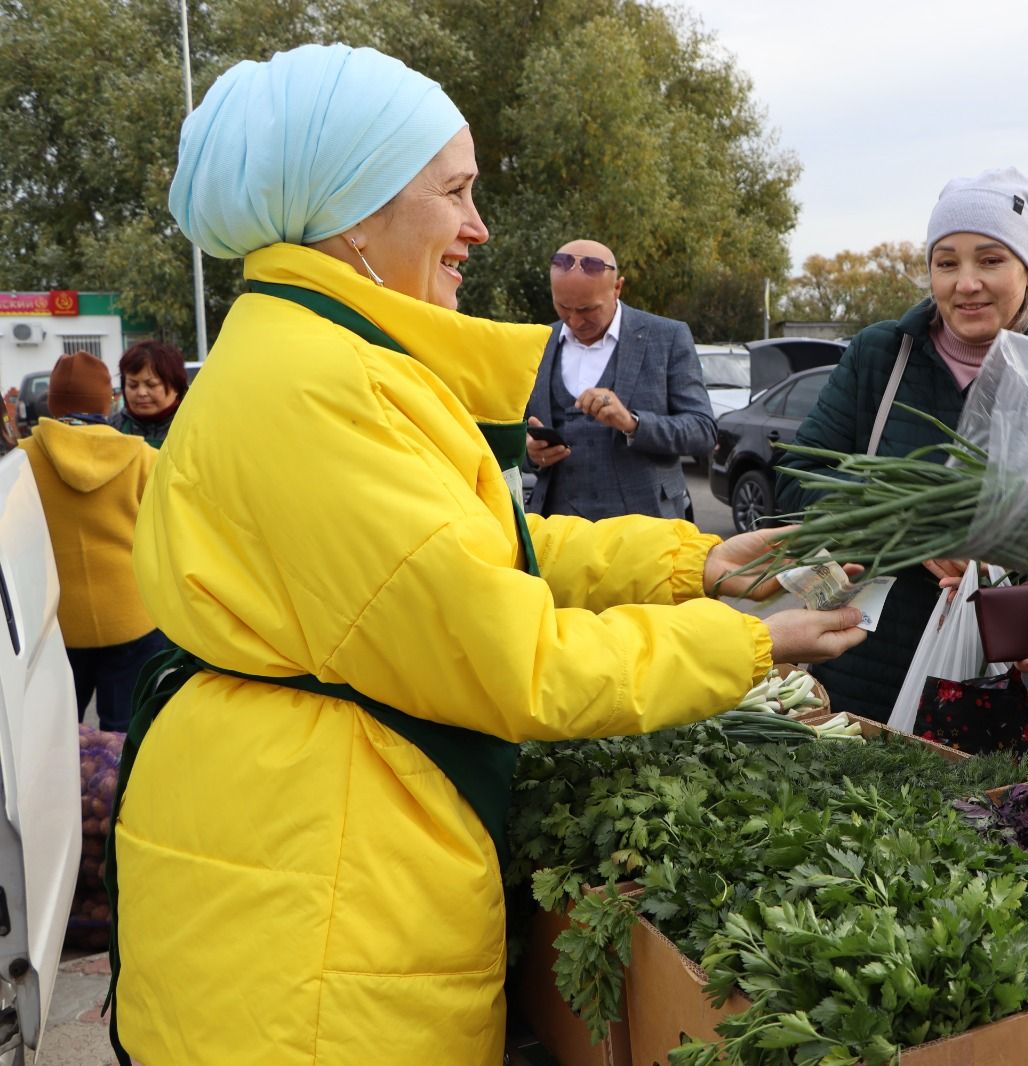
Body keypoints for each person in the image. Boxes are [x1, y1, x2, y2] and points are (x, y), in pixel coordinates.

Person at [113, 43, 864, 1065]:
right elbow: (514, 658)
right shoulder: (321, 388)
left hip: (299, 853)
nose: (478, 227)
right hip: (322, 920)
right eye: (455, 192)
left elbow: (478, 547)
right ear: (354, 211)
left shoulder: (310, 355)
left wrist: (699, 565)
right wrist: (748, 646)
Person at [777, 167, 1028, 730]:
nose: (966, 283)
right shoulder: (881, 357)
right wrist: (914, 526)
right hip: (858, 663)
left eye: (990, 260)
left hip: (988, 687)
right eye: (947, 263)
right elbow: (797, 482)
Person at [522, 238, 715, 520]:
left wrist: (632, 423)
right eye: (563, 307)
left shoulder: (667, 337)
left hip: (647, 524)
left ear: (617, 288)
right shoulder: (537, 343)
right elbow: (511, 435)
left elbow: (703, 432)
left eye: (588, 309)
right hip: (557, 526)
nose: (575, 321)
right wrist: (530, 454)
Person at [19, 353, 162, 732]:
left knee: (54, 732)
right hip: (133, 616)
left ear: (52, 403)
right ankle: (122, 790)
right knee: (125, 726)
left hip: (55, 622)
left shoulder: (21, 461)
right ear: (108, 400)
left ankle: (64, 792)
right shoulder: (145, 458)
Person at [112, 339, 188, 446]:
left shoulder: (191, 428)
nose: (141, 393)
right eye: (133, 385)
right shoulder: (112, 430)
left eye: (152, 385)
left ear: (176, 386)